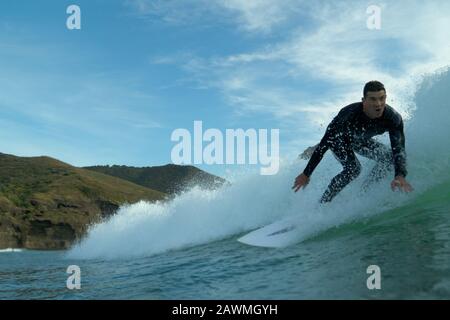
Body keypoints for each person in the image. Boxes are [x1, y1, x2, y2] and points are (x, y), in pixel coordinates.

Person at [292, 81, 414, 202]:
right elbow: (325, 142)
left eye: (382, 98)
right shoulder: (348, 114)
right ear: (364, 101)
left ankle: (365, 191)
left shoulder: (393, 118)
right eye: (372, 99)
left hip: (359, 140)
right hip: (338, 140)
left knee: (389, 158)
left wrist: (400, 175)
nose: (378, 104)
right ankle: (324, 202)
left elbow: (398, 149)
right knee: (353, 169)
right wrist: (306, 174)